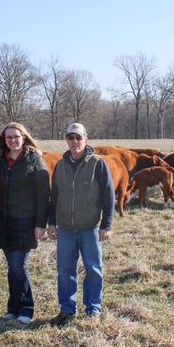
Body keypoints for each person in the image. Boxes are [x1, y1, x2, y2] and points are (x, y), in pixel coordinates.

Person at [47, 122, 115, 326]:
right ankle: (67, 309)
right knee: (65, 270)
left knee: (93, 269)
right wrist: (52, 223)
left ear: (86, 140)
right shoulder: (60, 165)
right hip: (66, 227)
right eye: (71, 138)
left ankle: (93, 309)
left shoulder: (98, 163)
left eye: (78, 138)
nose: (75, 142)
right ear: (67, 140)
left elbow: (109, 196)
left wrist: (107, 225)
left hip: (90, 227)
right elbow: (54, 196)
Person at [0, 123, 50, 325]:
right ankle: (12, 308)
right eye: (8, 138)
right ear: (3, 140)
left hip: (26, 222)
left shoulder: (35, 160)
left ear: (24, 137)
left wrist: (41, 224)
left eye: (16, 137)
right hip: (4, 222)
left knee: (18, 265)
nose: (13, 141)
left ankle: (26, 308)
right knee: (11, 267)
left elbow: (43, 195)